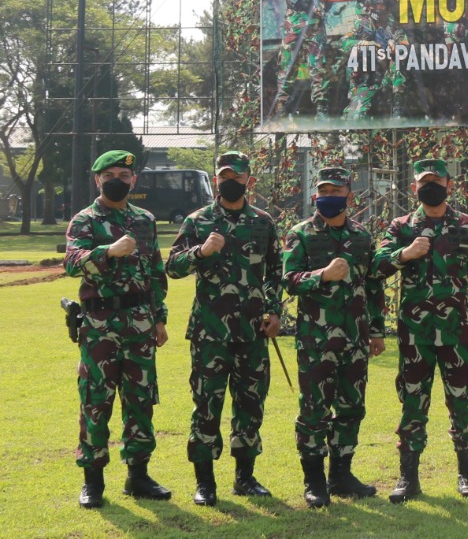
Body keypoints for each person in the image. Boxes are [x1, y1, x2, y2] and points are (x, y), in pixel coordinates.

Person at [166, 151, 282, 505]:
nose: (230, 180)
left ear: (250, 180)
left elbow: (276, 271)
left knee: (251, 404)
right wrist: (200, 252)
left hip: (252, 332)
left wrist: (275, 313)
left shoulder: (263, 222)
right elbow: (172, 267)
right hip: (210, 333)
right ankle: (205, 483)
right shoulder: (198, 221)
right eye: (224, 175)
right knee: (206, 404)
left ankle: (244, 478)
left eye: (237, 174)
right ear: (216, 179)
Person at [373, 159, 468, 502]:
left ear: (448, 185)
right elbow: (377, 267)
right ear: (414, 188)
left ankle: (467, 476)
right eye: (424, 182)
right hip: (415, 334)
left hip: (456, 332)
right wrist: (405, 254)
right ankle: (408, 479)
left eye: (436, 181)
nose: (430, 187)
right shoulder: (401, 227)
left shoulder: (467, 227)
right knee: (412, 402)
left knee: (463, 400)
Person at [64, 150, 171, 508]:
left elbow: (155, 271)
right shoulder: (86, 219)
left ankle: (138, 477)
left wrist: (159, 318)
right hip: (100, 327)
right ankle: (92, 481)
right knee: (96, 402)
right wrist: (107, 251)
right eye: (109, 174)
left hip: (140, 325)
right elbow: (71, 261)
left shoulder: (144, 220)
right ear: (97, 180)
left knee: (141, 401)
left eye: (123, 175)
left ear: (133, 181)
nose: (116, 180)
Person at [283, 167, 387, 507]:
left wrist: (376, 330)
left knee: (351, 407)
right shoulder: (300, 234)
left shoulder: (361, 236)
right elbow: (289, 280)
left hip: (355, 339)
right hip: (317, 340)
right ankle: (314, 482)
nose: (329, 196)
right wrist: (322, 275)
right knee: (314, 410)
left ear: (349, 196)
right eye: (323, 190)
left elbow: (373, 285)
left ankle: (341, 476)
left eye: (336, 190)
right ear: (315, 196)